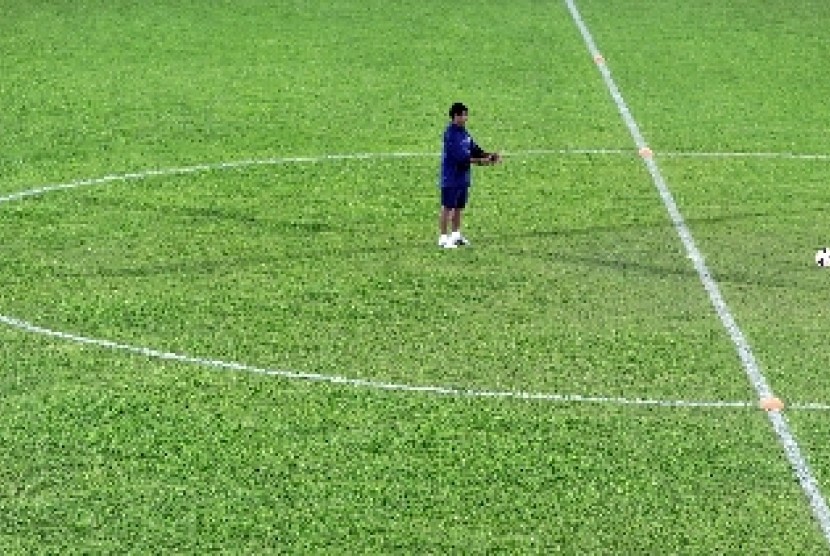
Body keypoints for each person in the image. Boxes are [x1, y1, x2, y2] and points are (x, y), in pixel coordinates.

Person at [438, 102, 501, 249]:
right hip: (451, 177)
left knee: (459, 207)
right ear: (455, 116)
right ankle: (442, 238)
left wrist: (490, 155)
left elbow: (475, 149)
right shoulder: (451, 135)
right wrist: (483, 161)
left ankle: (455, 235)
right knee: (447, 207)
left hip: (462, 177)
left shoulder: (464, 133)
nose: (466, 118)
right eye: (463, 115)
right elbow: (461, 158)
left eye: (466, 114)